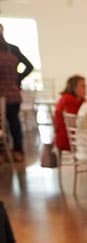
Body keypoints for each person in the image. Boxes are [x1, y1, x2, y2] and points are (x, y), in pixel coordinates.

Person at [0, 23, 33, 162]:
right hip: (10, 92)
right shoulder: (12, 50)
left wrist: (17, 79)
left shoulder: (13, 49)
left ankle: (17, 151)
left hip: (11, 94)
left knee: (13, 123)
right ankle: (7, 152)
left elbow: (29, 66)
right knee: (8, 124)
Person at [53, 75, 86, 153]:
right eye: (82, 86)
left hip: (74, 135)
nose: (85, 89)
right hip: (68, 138)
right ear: (74, 88)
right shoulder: (68, 99)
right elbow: (75, 122)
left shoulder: (80, 99)